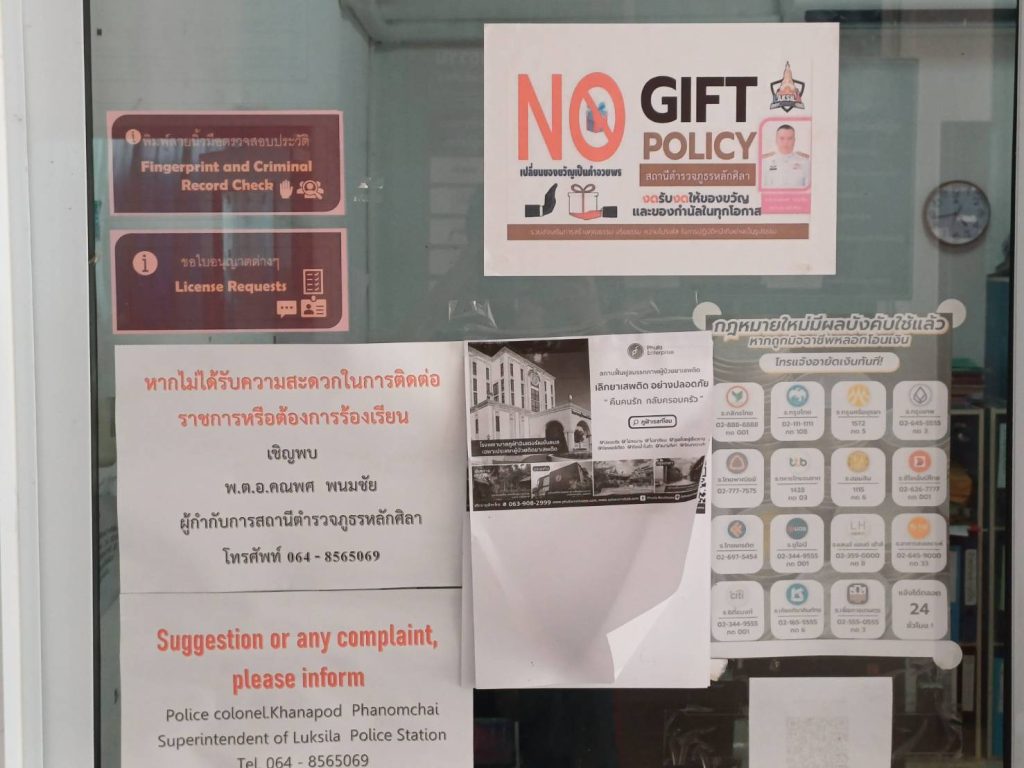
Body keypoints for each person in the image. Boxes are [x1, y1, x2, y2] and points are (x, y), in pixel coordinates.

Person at [761, 124, 810, 188]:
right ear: (776, 140)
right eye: (782, 138)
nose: (786, 142)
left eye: (790, 138)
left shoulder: (805, 162)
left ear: (794, 140)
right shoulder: (766, 162)